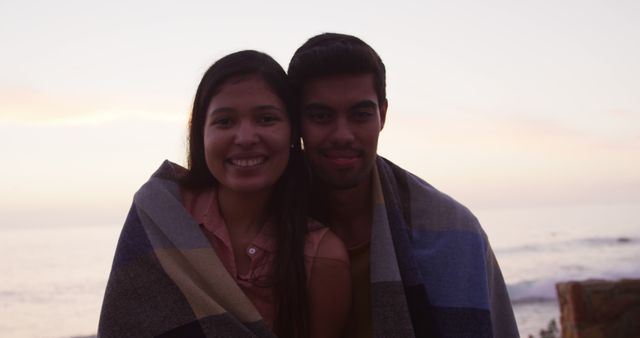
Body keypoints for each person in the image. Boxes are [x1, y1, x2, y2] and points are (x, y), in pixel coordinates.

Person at [99, 50, 351, 338]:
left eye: (266, 119)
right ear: (201, 134)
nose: (245, 138)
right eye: (225, 121)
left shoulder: (322, 257)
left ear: (293, 133)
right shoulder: (162, 214)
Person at [288, 33, 519, 338]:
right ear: (296, 121)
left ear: (382, 115)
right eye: (321, 116)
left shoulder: (455, 232)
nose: (342, 134)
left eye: (360, 115)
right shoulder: (254, 224)